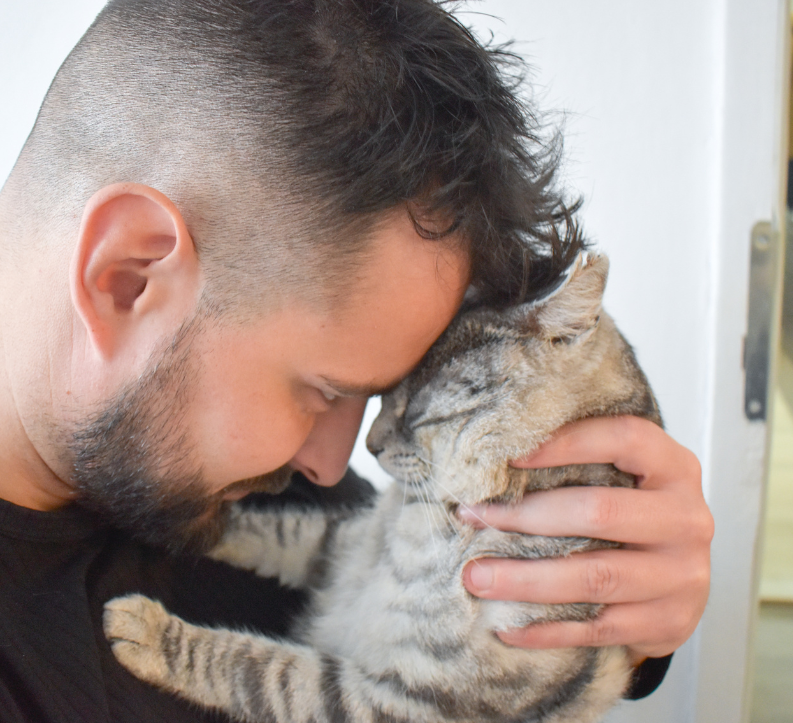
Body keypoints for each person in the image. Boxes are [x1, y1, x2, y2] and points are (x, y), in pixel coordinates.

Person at [0, 0, 713, 720]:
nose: (335, 466)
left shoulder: (265, 488)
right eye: (323, 390)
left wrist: (625, 621)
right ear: (129, 276)